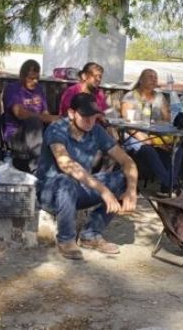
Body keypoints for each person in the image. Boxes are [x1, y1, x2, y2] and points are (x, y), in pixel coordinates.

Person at [37, 93, 139, 260]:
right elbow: (66, 164)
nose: (90, 120)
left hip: (79, 189)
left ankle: (91, 234)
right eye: (85, 116)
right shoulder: (56, 128)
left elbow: (127, 161)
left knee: (123, 178)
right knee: (65, 181)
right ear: (71, 113)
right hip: (50, 192)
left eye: (93, 116)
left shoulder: (97, 131)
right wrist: (103, 190)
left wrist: (131, 191)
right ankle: (66, 239)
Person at [119, 69, 176, 195]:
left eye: (155, 77)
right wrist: (143, 137)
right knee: (148, 150)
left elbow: (167, 119)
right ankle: (171, 185)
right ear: (141, 80)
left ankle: (166, 187)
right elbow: (127, 123)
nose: (154, 80)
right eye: (150, 77)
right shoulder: (130, 97)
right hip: (133, 134)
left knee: (175, 149)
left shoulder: (159, 97)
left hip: (155, 134)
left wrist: (158, 137)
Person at [2, 60, 59, 172]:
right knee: (34, 121)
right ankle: (36, 167)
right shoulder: (12, 88)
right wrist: (46, 118)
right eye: (31, 78)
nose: (35, 81)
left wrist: (56, 120)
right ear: (22, 76)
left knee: (57, 125)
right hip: (16, 135)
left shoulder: (39, 89)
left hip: (37, 134)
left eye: (37, 78)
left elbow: (45, 114)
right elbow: (19, 113)